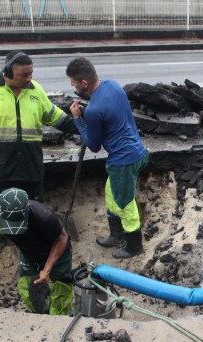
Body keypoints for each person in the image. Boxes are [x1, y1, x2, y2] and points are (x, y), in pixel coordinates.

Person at [0, 50, 77, 256]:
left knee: (34, 202)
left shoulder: (35, 90)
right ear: (7, 72)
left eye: (31, 73)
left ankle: (35, 235)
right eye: (24, 74)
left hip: (30, 162)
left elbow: (54, 116)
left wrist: (81, 125)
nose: (29, 78)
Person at [65, 57, 149, 259]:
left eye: (73, 82)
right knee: (111, 193)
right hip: (138, 152)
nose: (71, 85)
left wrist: (78, 119)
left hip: (123, 161)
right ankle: (116, 235)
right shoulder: (112, 85)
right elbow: (110, 114)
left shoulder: (94, 110)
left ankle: (134, 246)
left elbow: (93, 146)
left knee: (124, 202)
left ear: (84, 83)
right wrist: (90, 116)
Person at [0, 188, 73, 315]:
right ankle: (42, 314)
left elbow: (62, 238)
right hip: (29, 252)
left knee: (60, 296)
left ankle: (59, 323)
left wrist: (47, 270)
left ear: (27, 208)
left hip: (55, 252)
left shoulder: (45, 216)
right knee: (28, 290)